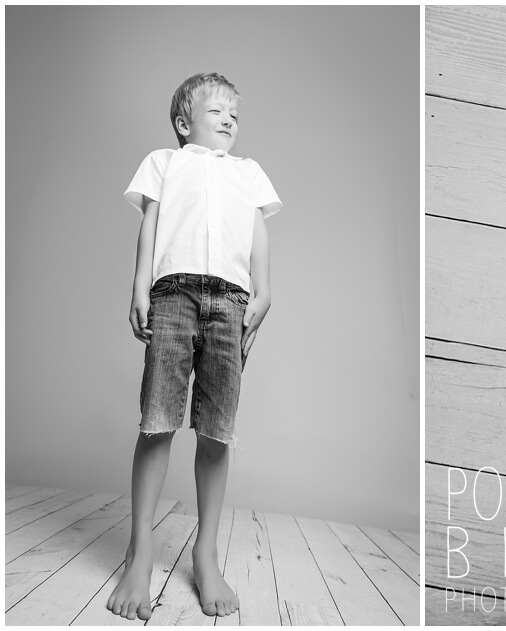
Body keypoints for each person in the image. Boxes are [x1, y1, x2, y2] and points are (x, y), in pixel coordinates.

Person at [111, 72, 282, 620]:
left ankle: (205, 553)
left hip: (230, 302)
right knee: (158, 419)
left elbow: (257, 231)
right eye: (217, 111)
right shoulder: (165, 161)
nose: (230, 119)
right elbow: (151, 223)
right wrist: (139, 286)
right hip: (174, 294)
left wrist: (266, 288)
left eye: (236, 112)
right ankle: (140, 553)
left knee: (216, 428)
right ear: (185, 124)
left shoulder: (248, 172)